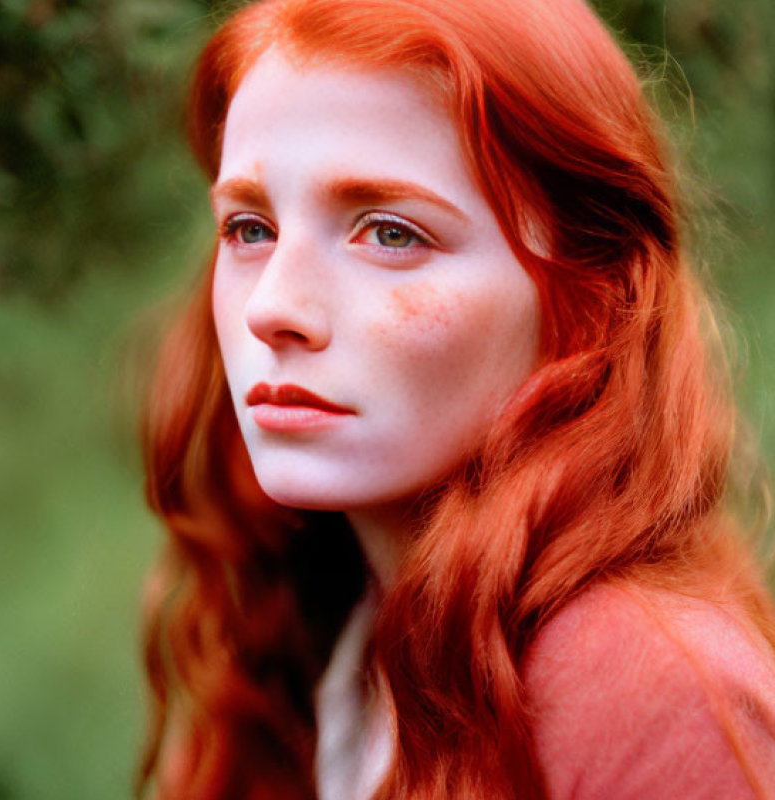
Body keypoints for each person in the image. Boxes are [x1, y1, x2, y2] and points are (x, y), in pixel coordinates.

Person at [137, 0, 775, 798]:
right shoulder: (326, 650)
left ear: (584, 301)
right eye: (249, 229)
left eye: (391, 233)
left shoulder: (646, 691)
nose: (271, 305)